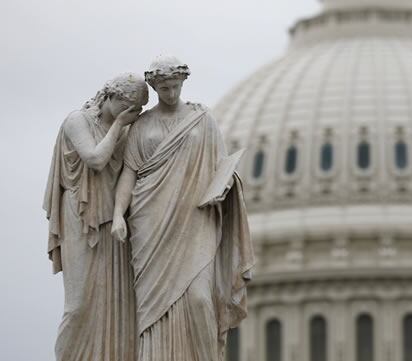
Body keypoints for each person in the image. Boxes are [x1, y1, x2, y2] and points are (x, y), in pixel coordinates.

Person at [111, 56, 254, 361]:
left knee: (200, 298)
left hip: (196, 217)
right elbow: (129, 173)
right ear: (155, 87)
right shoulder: (142, 125)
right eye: (164, 88)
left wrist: (225, 186)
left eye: (175, 86)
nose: (171, 93)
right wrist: (117, 216)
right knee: (151, 307)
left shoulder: (202, 119)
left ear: (183, 83)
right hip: (150, 222)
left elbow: (220, 167)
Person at [43, 73, 148, 361]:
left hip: (114, 220)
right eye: (131, 107)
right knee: (78, 306)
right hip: (80, 213)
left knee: (117, 303)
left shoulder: (126, 128)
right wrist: (119, 126)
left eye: (139, 109)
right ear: (112, 97)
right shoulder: (78, 120)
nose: (134, 114)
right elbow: (96, 159)